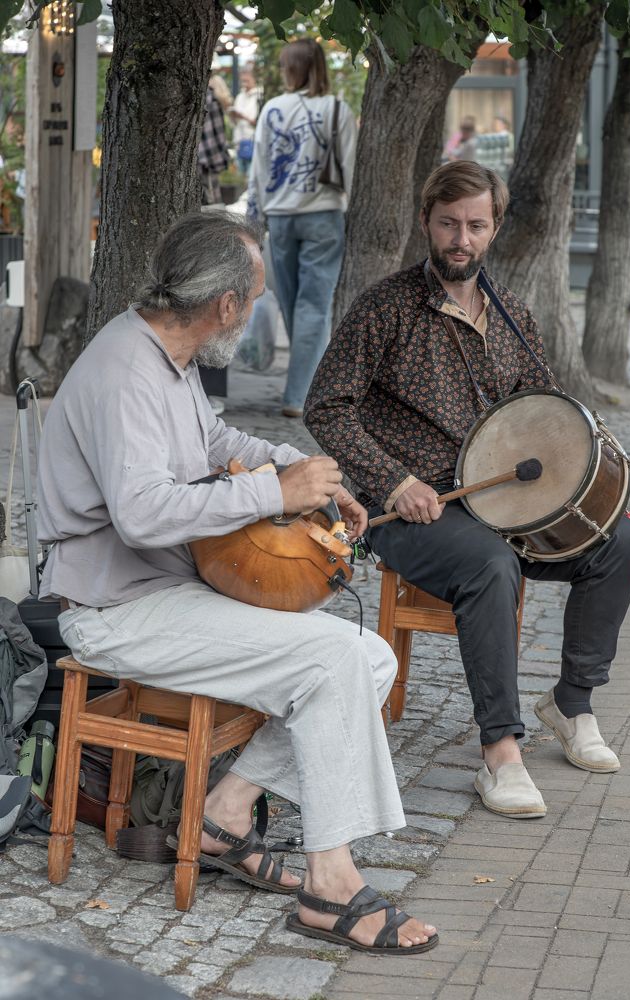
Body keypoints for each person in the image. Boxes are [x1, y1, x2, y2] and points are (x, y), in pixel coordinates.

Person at [35, 210, 437, 955]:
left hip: (162, 594)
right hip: (113, 609)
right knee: (337, 660)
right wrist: (273, 494)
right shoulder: (126, 370)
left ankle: (222, 812)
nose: (251, 313)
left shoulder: (169, 357)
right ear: (224, 305)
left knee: (369, 654)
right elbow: (143, 512)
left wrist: (300, 473)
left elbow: (215, 443)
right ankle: (332, 885)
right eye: (251, 299)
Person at [304, 161, 630, 820]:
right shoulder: (388, 306)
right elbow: (326, 407)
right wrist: (393, 481)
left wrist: (586, 478)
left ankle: (572, 702)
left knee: (619, 543)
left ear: (494, 227)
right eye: (449, 224)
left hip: (503, 504)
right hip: (414, 507)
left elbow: (543, 415)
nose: (462, 238)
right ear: (426, 222)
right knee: (490, 567)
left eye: (476, 225)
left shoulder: (512, 314)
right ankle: (501, 752)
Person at [247, 38, 357, 418]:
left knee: (295, 306)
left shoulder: (273, 108)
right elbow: (349, 165)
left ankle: (302, 388)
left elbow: (258, 167)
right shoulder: (336, 108)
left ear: (290, 69)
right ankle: (299, 396)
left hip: (279, 217)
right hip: (323, 215)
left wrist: (254, 215)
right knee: (312, 308)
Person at [198, 76, 230, 206]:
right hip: (208, 162)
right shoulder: (212, 99)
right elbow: (218, 137)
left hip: (199, 160)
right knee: (212, 206)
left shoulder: (202, 97)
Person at [229, 66, 259, 177]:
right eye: (242, 81)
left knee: (251, 178)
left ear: (254, 80)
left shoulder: (259, 97)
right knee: (239, 179)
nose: (244, 83)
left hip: (253, 142)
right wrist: (233, 116)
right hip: (239, 142)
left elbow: (258, 122)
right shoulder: (240, 97)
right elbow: (234, 123)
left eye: (247, 80)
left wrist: (243, 117)